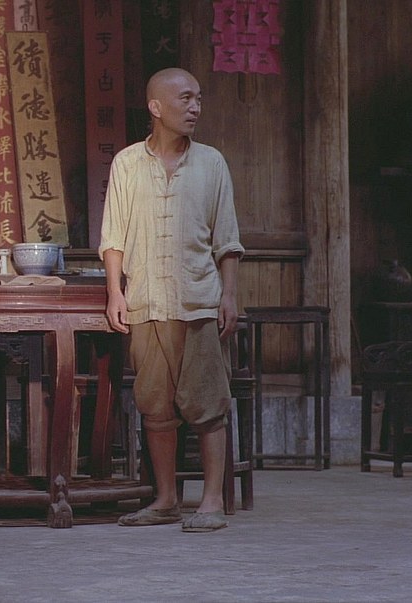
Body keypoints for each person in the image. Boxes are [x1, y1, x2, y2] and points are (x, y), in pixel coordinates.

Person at [99, 68, 244, 532]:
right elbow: (113, 237)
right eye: (185, 98)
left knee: (208, 404)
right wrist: (115, 292)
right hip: (146, 301)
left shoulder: (211, 163)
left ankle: (212, 502)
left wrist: (229, 296)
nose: (195, 107)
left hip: (199, 300)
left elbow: (227, 240)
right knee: (155, 406)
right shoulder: (126, 163)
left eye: (198, 98)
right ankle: (165, 500)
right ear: (156, 107)